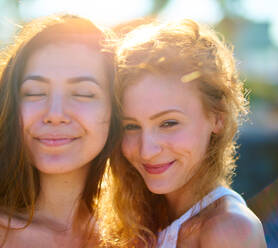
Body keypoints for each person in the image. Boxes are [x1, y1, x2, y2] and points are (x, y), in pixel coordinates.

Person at [0, 14, 119, 247]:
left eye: (83, 93)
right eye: (34, 92)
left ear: (115, 110)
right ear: (11, 107)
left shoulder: (131, 235)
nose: (55, 114)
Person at [97, 19, 267, 247]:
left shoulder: (228, 230)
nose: (147, 150)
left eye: (168, 123)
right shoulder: (135, 217)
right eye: (131, 126)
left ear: (218, 118)